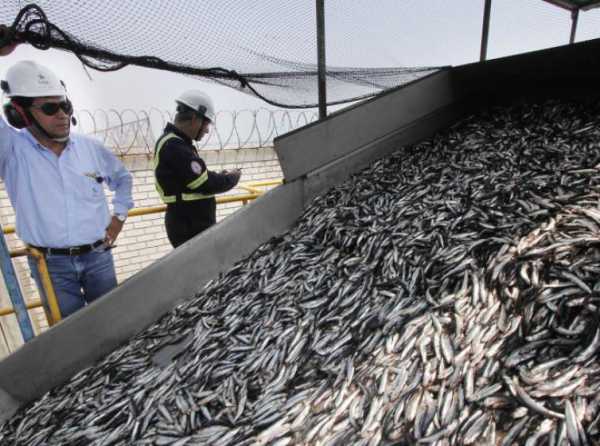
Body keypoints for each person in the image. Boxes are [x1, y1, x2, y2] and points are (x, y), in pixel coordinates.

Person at [0, 43, 134, 320]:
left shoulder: (90, 148)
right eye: (50, 108)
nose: (62, 114)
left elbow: (122, 179)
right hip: (50, 266)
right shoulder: (12, 152)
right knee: (70, 338)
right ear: (20, 113)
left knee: (112, 325)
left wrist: (119, 217)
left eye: (65, 105)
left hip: (98, 258)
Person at [154, 90, 241, 248]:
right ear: (195, 118)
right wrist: (231, 179)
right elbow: (204, 183)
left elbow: (197, 177)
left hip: (189, 223)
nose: (207, 130)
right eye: (206, 124)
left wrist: (220, 175)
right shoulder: (175, 145)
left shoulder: (178, 143)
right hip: (189, 227)